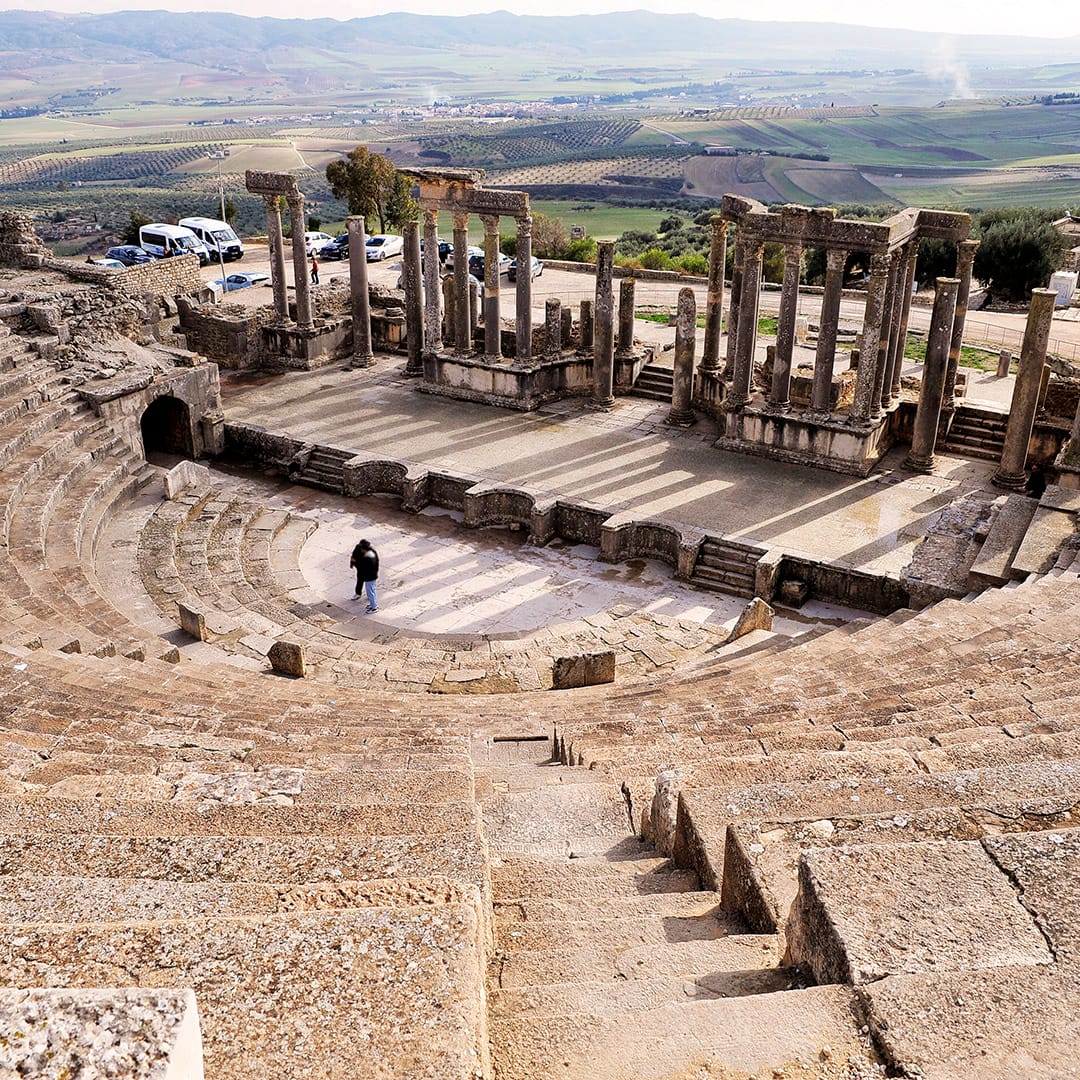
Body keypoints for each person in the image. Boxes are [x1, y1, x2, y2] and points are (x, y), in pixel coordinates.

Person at [350, 538, 379, 612]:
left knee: (370, 592)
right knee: (371, 591)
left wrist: (356, 562)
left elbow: (365, 566)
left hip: (370, 577)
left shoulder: (369, 557)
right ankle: (372, 604)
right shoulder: (370, 553)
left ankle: (374, 607)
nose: (361, 550)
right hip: (370, 576)